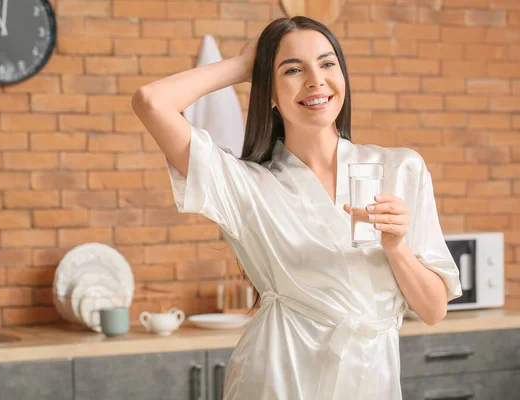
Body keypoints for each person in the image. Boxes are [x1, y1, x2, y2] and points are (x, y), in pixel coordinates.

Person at [132, 16, 462, 400]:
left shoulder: (401, 169)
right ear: (268, 90)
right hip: (278, 377)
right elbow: (151, 102)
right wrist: (243, 66)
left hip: (372, 380)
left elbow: (433, 309)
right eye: (292, 69)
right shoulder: (245, 185)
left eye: (327, 63)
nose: (315, 80)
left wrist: (396, 246)